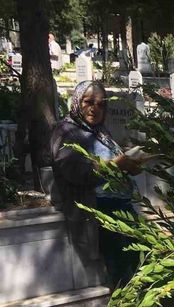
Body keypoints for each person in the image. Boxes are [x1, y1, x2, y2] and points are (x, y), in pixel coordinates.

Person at [50, 81, 147, 286]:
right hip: (99, 209)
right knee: (121, 268)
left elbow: (113, 163)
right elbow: (74, 171)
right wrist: (115, 165)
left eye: (101, 104)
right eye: (89, 102)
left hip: (122, 206)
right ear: (77, 102)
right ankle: (123, 304)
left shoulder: (101, 132)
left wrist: (130, 166)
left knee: (144, 257)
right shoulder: (66, 132)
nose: (95, 108)